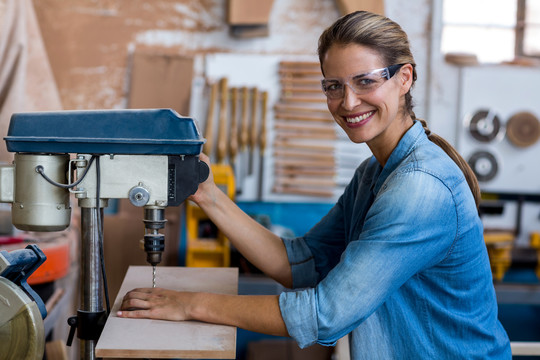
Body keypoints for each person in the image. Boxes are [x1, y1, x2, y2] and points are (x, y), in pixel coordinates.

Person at [117, 11, 511, 359]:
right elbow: (302, 263)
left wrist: (191, 305)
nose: (349, 102)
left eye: (365, 81)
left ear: (404, 77)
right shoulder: (374, 174)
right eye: (334, 86)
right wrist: (208, 194)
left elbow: (326, 315)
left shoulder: (419, 189)